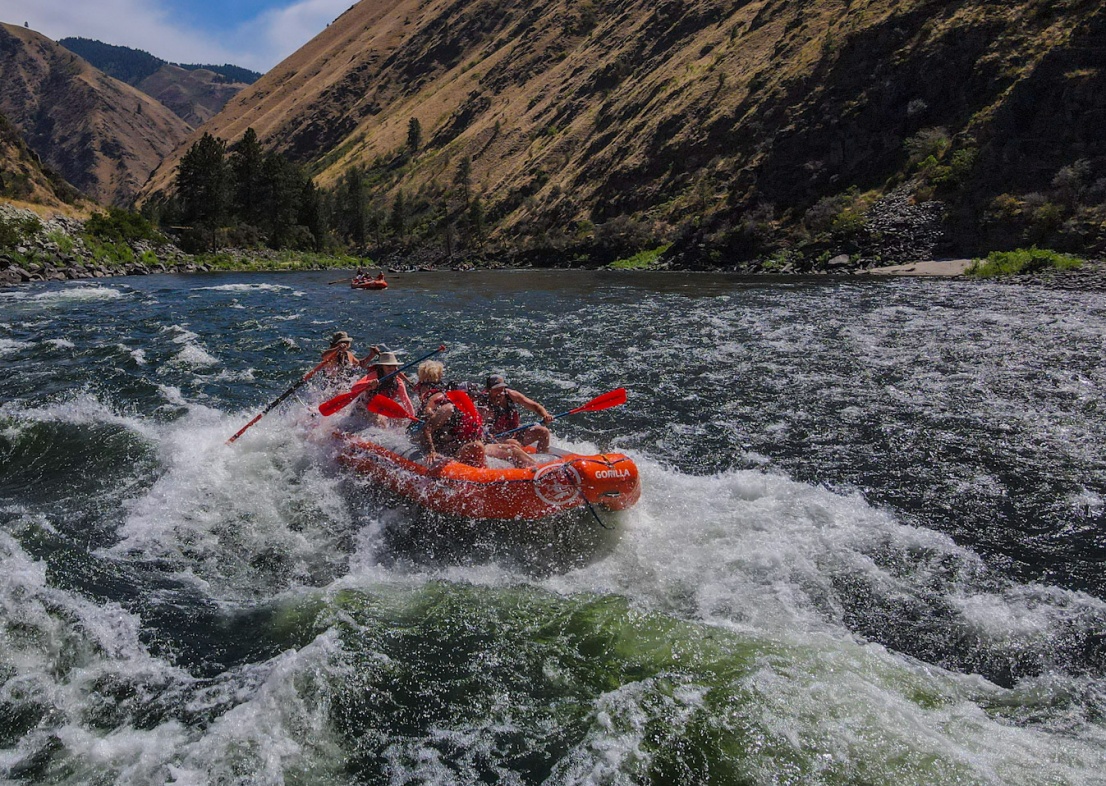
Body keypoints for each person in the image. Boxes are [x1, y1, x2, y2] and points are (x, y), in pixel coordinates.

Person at [417, 388, 536, 468]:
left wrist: (489, 438)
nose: (475, 399)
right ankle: (486, 479)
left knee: (512, 448)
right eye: (472, 397)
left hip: (475, 444)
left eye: (475, 397)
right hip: (452, 451)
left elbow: (479, 431)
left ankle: (539, 472)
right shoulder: (448, 409)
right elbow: (427, 429)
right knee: (477, 446)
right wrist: (431, 451)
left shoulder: (475, 410)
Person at [482, 374, 554, 452]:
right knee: (514, 444)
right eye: (496, 390)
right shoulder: (483, 405)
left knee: (544, 431)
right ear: (488, 390)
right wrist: (487, 436)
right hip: (497, 439)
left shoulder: (511, 395)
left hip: (515, 433)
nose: (500, 393)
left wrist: (545, 415)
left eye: (502, 389)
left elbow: (535, 406)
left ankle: (543, 457)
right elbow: (479, 429)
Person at [359, 350, 414, 426]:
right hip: (365, 406)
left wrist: (412, 417)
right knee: (381, 420)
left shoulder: (399, 382)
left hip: (382, 407)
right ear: (382, 366)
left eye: (394, 366)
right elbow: (354, 388)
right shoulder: (373, 376)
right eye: (388, 366)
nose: (391, 368)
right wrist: (368, 383)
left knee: (400, 420)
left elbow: (406, 400)